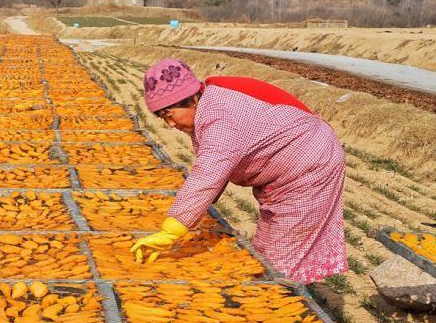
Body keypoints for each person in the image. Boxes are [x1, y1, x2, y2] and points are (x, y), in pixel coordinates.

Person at [132, 58, 346, 284]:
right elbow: (217, 170)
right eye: (163, 119)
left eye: (169, 115)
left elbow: (209, 173)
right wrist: (191, 213)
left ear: (192, 99)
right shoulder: (208, 107)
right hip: (287, 173)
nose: (171, 125)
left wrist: (173, 228)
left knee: (283, 253)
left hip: (309, 167)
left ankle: (278, 301)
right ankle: (267, 290)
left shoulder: (219, 118)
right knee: (265, 248)